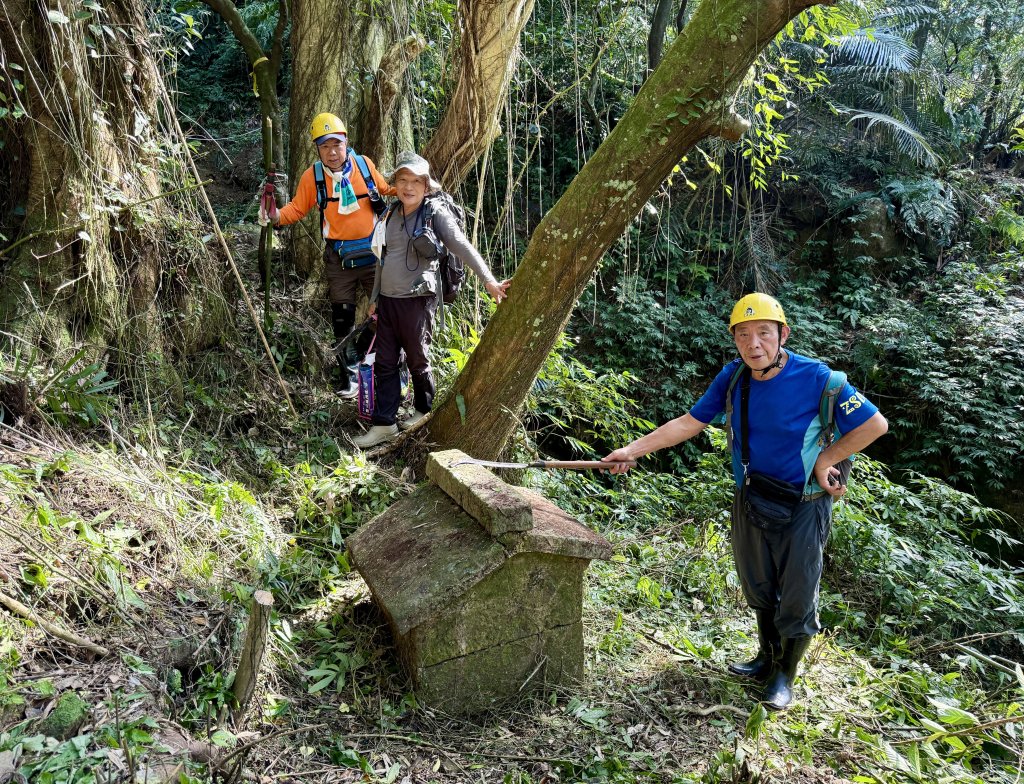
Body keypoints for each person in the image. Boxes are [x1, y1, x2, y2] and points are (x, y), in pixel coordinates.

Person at [602, 293, 888, 710]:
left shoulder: (820, 379)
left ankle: (785, 676)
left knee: (797, 590)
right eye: (743, 335)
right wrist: (631, 450)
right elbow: (689, 422)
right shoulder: (733, 378)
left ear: (783, 335)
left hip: (804, 503)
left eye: (763, 334)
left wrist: (827, 458)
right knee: (758, 582)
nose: (754, 344)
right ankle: (765, 658)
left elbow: (874, 424)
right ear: (735, 339)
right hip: (751, 495)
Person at [352, 151, 510, 448]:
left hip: (417, 300)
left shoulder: (433, 213)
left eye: (415, 181)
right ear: (395, 183)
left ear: (426, 187)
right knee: (385, 362)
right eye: (402, 180)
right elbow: (380, 260)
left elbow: (461, 245)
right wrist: (375, 297)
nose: (408, 187)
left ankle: (423, 409)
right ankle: (384, 423)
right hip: (388, 302)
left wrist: (488, 280)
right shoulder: (388, 213)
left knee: (417, 358)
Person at [267, 112, 394, 398]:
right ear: (318, 149)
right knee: (342, 316)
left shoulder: (364, 166)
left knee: (386, 311)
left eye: (336, 144)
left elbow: (386, 189)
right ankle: (349, 375)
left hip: (375, 253)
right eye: (325, 146)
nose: (332, 152)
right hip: (339, 259)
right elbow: (297, 209)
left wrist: (415, 186)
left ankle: (369, 361)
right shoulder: (313, 177)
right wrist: (275, 216)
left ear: (346, 142)